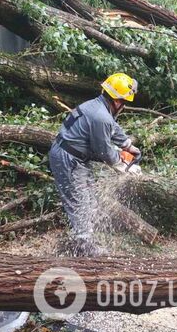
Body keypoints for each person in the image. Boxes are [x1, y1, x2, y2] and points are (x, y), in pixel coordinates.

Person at [48, 73, 141, 256]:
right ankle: (84, 245)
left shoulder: (97, 105)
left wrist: (128, 145)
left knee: (89, 197)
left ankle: (84, 238)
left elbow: (112, 127)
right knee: (80, 200)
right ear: (117, 101)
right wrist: (123, 165)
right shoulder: (101, 117)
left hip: (75, 157)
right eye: (124, 102)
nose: (124, 106)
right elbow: (104, 151)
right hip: (68, 158)